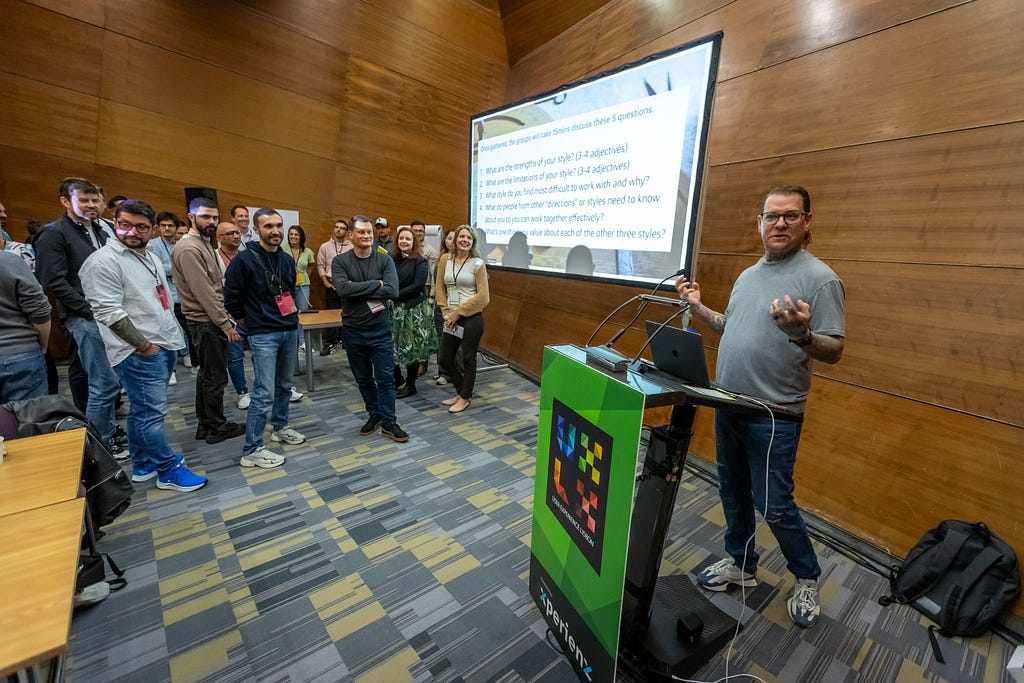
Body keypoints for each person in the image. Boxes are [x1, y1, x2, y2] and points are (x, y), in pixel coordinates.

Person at [675, 185, 845, 629]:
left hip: (774, 415)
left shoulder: (820, 278)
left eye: (790, 216)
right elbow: (731, 327)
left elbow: (835, 350)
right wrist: (698, 309)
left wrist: (804, 335)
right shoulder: (748, 275)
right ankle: (742, 564)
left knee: (775, 505)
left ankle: (806, 576)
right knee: (730, 491)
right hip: (726, 403)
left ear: (807, 221)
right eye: (772, 216)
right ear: (760, 223)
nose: (780, 224)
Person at [81, 199, 206, 492]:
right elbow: (109, 312)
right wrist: (143, 346)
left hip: (160, 343)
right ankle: (167, 469)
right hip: (138, 351)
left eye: (141, 227)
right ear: (115, 222)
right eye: (125, 225)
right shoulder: (103, 261)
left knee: (141, 410)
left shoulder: (146, 255)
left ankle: (143, 463)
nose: (132, 232)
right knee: (152, 414)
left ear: (151, 229)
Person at [34, 177, 126, 457]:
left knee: (108, 379)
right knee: (104, 383)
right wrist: (91, 310)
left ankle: (105, 429)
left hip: (112, 315)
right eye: (84, 200)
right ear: (66, 201)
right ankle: (101, 445)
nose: (91, 205)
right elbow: (53, 281)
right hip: (85, 318)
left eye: (95, 199)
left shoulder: (104, 229)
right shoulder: (54, 233)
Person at [224, 208, 306, 468]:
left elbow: (289, 291)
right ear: (256, 230)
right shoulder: (244, 260)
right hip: (264, 335)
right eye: (268, 226)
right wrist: (252, 322)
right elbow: (232, 298)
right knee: (263, 392)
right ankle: (252, 449)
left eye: (279, 226)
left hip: (288, 328)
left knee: (284, 386)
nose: (276, 231)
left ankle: (280, 426)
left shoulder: (286, 258)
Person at [171, 197, 246, 445]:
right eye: (205, 217)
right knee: (215, 377)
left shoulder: (202, 243)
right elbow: (204, 292)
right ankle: (217, 427)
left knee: (208, 375)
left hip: (206, 319)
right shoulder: (189, 248)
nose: (211, 222)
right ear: (191, 216)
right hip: (205, 321)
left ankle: (206, 424)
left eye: (214, 217)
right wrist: (225, 323)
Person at [332, 215, 408, 442]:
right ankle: (374, 414)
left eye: (369, 233)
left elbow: (393, 291)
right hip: (353, 331)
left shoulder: (385, 261)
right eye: (362, 232)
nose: (366, 236)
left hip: (380, 331)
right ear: (351, 236)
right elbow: (343, 290)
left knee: (385, 379)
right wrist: (377, 284)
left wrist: (357, 288)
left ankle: (389, 422)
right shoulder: (340, 262)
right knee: (363, 379)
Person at [435, 225, 489, 414]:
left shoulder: (477, 264)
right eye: (462, 236)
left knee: (468, 359)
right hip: (451, 318)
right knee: (445, 358)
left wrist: (458, 312)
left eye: (469, 238)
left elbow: (484, 297)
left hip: (471, 318)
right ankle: (460, 391)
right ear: (455, 238)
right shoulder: (445, 259)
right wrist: (445, 311)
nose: (465, 240)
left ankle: (465, 397)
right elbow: (440, 287)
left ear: (473, 242)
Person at [390, 226, 437, 398]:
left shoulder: (420, 261)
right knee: (392, 345)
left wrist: (394, 295)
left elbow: (417, 286)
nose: (404, 241)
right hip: (395, 310)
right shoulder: (392, 259)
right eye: (401, 238)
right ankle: (398, 380)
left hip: (414, 310)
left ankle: (410, 384)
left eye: (408, 239)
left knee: (412, 348)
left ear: (414, 242)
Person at [0, 251, 51, 402]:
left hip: (18, 354)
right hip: (19, 352)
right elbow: (39, 310)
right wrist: (42, 345)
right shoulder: (9, 260)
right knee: (30, 420)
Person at [214, 221, 251, 409]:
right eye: (229, 234)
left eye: (237, 233)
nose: (235, 236)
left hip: (253, 314)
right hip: (229, 315)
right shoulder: (213, 258)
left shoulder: (248, 256)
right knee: (235, 356)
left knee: (263, 353)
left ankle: (273, 387)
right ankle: (242, 392)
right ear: (219, 238)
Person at [148, 211, 187, 384]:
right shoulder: (152, 245)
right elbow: (156, 269)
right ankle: (170, 370)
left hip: (183, 295)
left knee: (186, 328)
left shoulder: (182, 244)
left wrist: (172, 269)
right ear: (157, 227)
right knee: (168, 331)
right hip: (163, 295)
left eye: (170, 225)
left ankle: (188, 355)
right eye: (163, 225)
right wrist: (176, 269)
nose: (167, 228)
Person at [316, 218, 351, 356]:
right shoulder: (325, 246)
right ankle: (331, 341)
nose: (339, 230)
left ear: (346, 231)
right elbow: (320, 265)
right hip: (330, 283)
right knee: (330, 313)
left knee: (347, 312)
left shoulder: (351, 246)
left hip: (347, 285)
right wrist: (326, 283)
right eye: (337, 227)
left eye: (342, 228)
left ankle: (345, 340)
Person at [411, 220, 437, 378]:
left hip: (425, 292)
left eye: (421, 231)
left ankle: (423, 363)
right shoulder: (406, 247)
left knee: (423, 330)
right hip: (410, 293)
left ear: (424, 233)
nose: (418, 233)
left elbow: (434, 276)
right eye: (415, 230)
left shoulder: (430, 251)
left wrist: (432, 295)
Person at [287, 225, 315, 313]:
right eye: (291, 234)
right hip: (286, 286)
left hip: (303, 285)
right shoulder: (281, 249)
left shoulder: (307, 251)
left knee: (303, 312)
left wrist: (306, 275)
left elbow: (312, 264)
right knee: (288, 312)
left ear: (301, 237)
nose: (293, 236)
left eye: (296, 234)